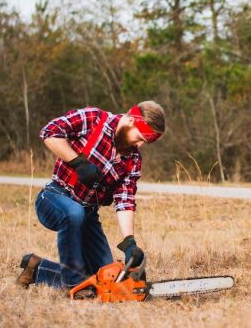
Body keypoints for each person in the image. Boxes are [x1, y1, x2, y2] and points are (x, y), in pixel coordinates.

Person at [16, 101, 165, 290]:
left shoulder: (133, 159)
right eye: (140, 137)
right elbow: (49, 132)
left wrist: (129, 242)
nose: (140, 145)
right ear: (129, 120)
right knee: (74, 213)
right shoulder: (93, 119)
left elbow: (125, 200)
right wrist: (77, 162)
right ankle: (73, 285)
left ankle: (37, 268)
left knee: (104, 282)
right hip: (54, 197)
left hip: (88, 214)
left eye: (146, 142)